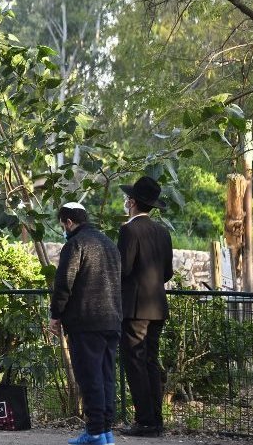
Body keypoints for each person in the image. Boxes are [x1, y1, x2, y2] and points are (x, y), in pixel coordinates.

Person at [49, 202, 122, 445]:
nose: (64, 229)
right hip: (112, 319)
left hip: (86, 321)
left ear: (69, 222)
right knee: (106, 377)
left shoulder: (75, 244)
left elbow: (64, 283)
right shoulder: (109, 243)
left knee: (90, 378)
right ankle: (106, 431)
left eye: (63, 225)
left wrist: (55, 314)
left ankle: (95, 432)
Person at [117, 176, 173, 437]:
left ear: (132, 202)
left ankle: (145, 421)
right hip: (158, 307)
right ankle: (155, 421)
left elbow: (123, 269)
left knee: (135, 363)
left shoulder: (129, 231)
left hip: (135, 308)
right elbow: (167, 273)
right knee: (150, 361)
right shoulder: (163, 232)